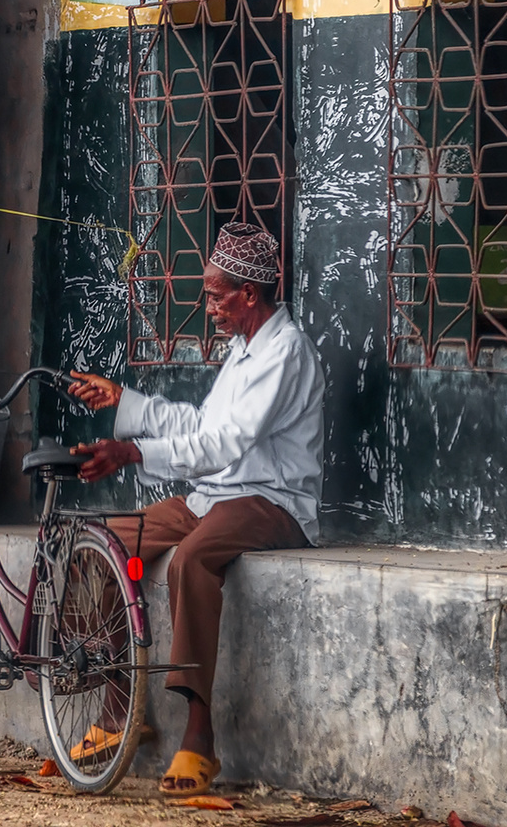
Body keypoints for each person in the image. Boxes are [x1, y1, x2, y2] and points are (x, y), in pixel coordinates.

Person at [65, 221, 324, 798]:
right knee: (106, 542)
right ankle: (119, 712)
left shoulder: (285, 354)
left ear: (248, 295)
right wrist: (126, 404)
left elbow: (222, 446)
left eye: (214, 294)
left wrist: (133, 451)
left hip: (271, 502)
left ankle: (200, 739)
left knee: (191, 560)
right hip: (216, 496)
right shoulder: (243, 352)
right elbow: (203, 427)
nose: (206, 305)